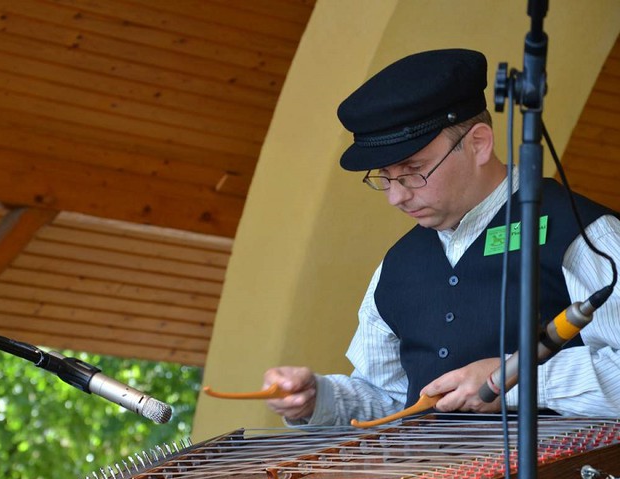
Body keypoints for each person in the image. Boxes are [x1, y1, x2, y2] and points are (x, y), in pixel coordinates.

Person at [263, 48, 620, 427]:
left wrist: (512, 380)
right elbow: (392, 400)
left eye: (413, 170)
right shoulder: (397, 266)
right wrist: (319, 399)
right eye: (383, 177)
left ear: (478, 143)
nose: (396, 196)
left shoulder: (583, 233)